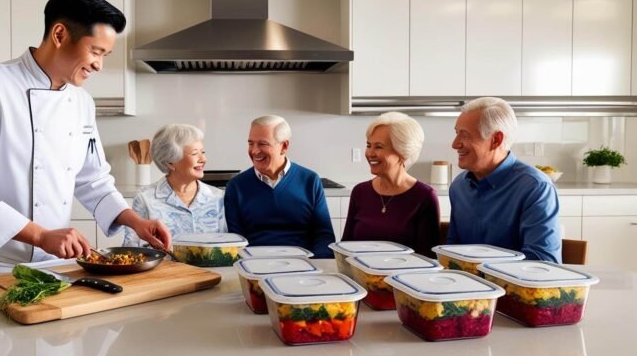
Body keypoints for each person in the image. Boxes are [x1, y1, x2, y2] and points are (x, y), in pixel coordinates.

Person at [0, 0, 171, 273]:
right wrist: (39, 235)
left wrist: (135, 221)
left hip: (59, 266)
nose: (99, 64)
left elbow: (92, 178)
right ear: (59, 34)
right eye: (95, 51)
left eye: (105, 54)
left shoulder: (81, 101)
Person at [447, 97, 562, 262]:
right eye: (457, 133)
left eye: (464, 135)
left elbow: (542, 262)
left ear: (496, 140)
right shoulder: (459, 187)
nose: (455, 144)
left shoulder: (536, 188)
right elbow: (452, 252)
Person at [224, 115, 334, 258]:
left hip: (304, 267)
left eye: (262, 144)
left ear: (284, 146)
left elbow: (324, 236)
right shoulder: (236, 186)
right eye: (251, 143)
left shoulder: (310, 181)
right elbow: (235, 242)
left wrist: (314, 265)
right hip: (254, 266)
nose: (254, 151)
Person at [341, 112, 440, 257]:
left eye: (379, 147)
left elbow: (427, 257)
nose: (370, 153)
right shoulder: (360, 192)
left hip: (404, 277)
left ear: (402, 152)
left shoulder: (424, 197)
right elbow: (345, 247)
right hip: (360, 275)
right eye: (369, 145)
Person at [122, 124, 227, 246]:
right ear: (170, 162)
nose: (203, 159)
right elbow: (132, 249)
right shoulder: (145, 199)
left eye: (203, 152)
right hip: (164, 265)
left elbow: (227, 247)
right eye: (194, 154)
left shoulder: (218, 198)